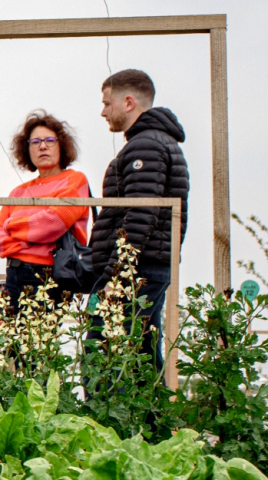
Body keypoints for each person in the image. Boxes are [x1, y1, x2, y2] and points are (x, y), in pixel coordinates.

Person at [89, 69, 190, 372]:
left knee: (104, 350)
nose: (103, 111)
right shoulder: (154, 142)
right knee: (141, 351)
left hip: (137, 267)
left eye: (108, 103)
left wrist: (116, 276)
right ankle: (151, 418)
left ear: (129, 102)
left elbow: (140, 215)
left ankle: (125, 419)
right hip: (147, 265)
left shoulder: (146, 146)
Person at [0, 110, 90, 311]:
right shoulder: (17, 192)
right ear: (26, 149)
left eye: (50, 140)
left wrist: (12, 226)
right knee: (13, 340)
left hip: (49, 275)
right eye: (35, 142)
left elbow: (51, 224)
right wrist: (32, 239)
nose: (42, 146)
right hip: (13, 274)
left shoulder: (75, 180)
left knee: (39, 340)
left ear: (61, 145)